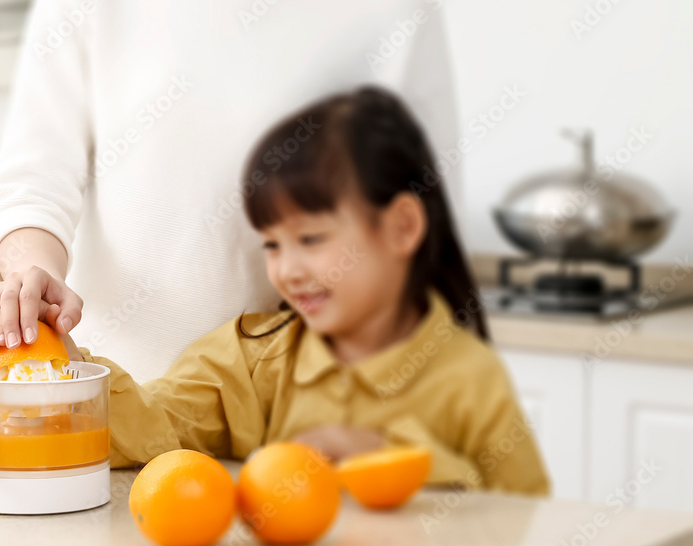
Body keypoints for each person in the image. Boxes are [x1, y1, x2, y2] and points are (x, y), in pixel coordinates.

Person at [60, 87, 549, 495]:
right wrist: (64, 367)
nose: (288, 270)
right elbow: (155, 428)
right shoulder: (255, 359)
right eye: (273, 244)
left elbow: (524, 528)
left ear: (402, 226)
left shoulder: (470, 380)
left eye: (311, 239)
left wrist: (392, 463)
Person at [0, 0, 463, 385]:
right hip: (109, 406)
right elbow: (35, 178)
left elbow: (426, 223)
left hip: (302, 416)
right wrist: (33, 272)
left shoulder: (394, 11)